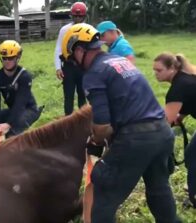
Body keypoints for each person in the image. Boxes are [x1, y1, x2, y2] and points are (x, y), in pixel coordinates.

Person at [61, 23, 181, 223]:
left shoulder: (94, 73)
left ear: (79, 50)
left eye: (72, 59)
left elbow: (101, 125)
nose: (75, 64)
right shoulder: (118, 60)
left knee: (103, 194)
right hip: (162, 132)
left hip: (136, 139)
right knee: (159, 190)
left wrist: (96, 142)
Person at [153, 52, 196, 209]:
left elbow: (165, 122)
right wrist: (181, 117)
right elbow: (189, 102)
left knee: (192, 155)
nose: (155, 74)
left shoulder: (177, 88)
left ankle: (194, 197)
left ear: (171, 69)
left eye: (159, 70)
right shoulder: (185, 79)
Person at [0, 40, 42, 145]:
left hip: (28, 109)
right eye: (4, 58)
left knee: (12, 129)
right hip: (13, 110)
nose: (7, 61)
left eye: (11, 58)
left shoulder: (25, 76)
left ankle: (15, 156)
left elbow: (20, 104)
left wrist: (8, 124)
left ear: (17, 58)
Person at [54, 2, 87, 115]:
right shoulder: (65, 30)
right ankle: (68, 124)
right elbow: (59, 48)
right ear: (71, 16)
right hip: (68, 66)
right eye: (75, 16)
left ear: (84, 16)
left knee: (83, 96)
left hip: (83, 67)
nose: (78, 18)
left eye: (80, 16)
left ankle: (83, 124)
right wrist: (58, 67)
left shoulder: (89, 29)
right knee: (68, 96)